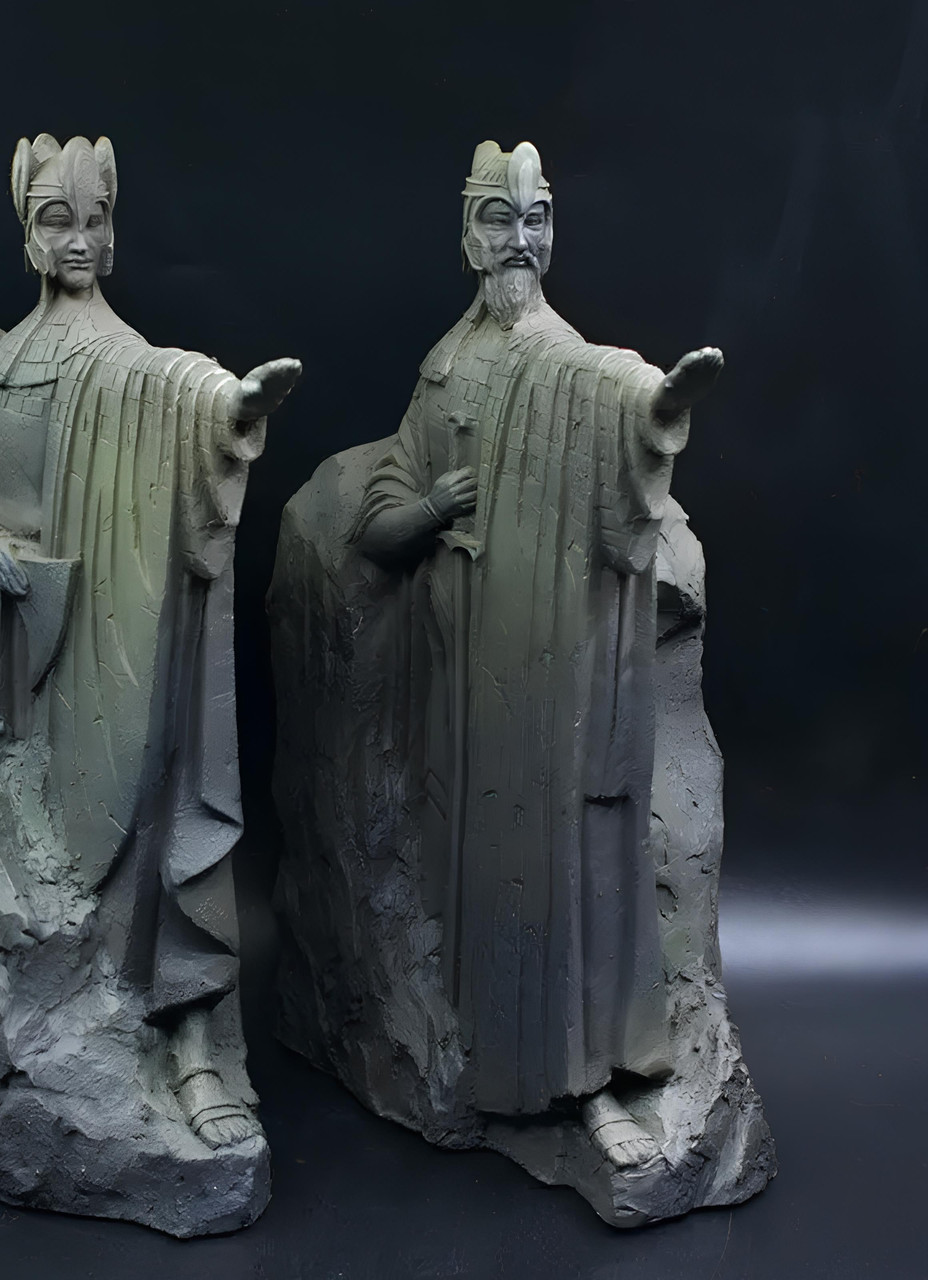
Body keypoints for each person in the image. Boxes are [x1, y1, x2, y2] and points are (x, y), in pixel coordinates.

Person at [0, 134, 300, 1147]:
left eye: (94, 219)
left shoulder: (129, 362)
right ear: (27, 232)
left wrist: (229, 408)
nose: (78, 238)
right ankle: (77, 1022)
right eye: (57, 219)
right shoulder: (2, 370)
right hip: (29, 651)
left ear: (114, 231)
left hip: (126, 631)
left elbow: (178, 387)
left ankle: (190, 1040)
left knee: (164, 807)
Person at [354, 140, 722, 1166]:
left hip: (559, 666)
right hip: (472, 680)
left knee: (575, 863)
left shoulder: (570, 362)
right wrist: (433, 506)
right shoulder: (443, 369)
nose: (518, 239)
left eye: (536, 218)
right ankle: (486, 1065)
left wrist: (657, 409)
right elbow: (379, 523)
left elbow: (618, 391)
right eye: (497, 217)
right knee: (488, 875)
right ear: (465, 233)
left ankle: (590, 1079)